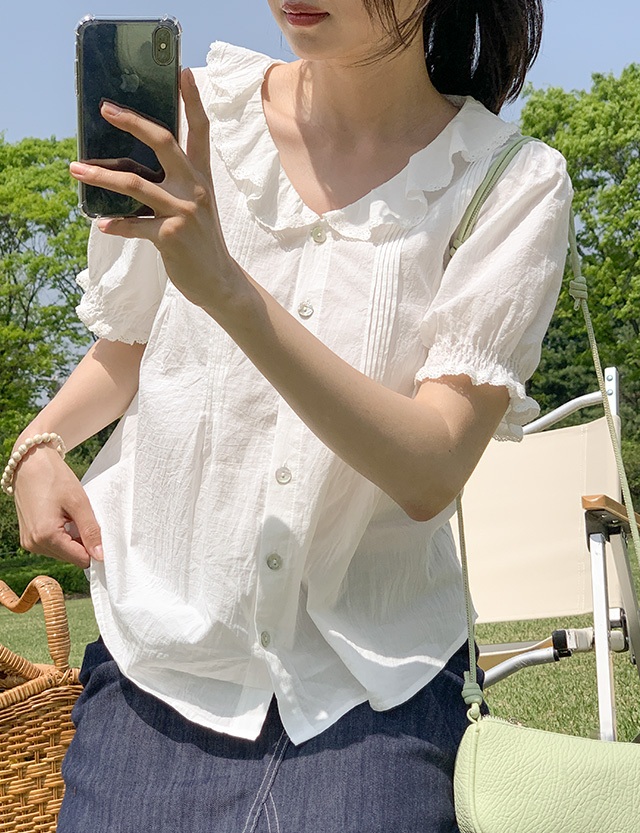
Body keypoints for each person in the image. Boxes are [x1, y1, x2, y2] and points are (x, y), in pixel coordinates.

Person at [7, 1, 572, 830]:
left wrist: (231, 292)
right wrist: (39, 445)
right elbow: (127, 346)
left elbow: (432, 465)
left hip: (374, 691)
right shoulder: (197, 117)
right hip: (155, 669)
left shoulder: (509, 182)